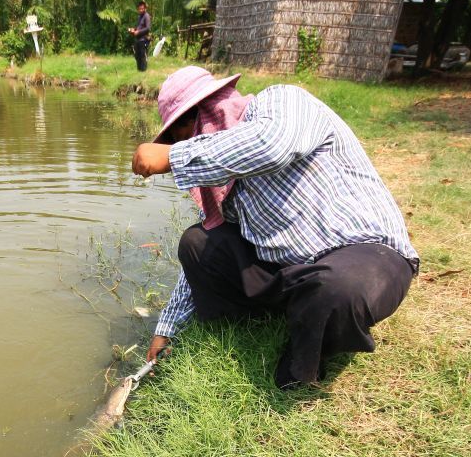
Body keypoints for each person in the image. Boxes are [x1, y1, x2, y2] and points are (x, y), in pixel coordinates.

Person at [131, 66, 419, 388]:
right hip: (291, 272)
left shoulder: (281, 102)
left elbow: (273, 147)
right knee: (198, 244)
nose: (186, 145)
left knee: (337, 290)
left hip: (364, 253)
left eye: (184, 135)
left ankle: (300, 369)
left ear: (204, 112)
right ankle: (256, 326)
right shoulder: (229, 184)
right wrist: (166, 328)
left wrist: (175, 156)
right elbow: (210, 248)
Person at [128, 1, 151, 72]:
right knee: (137, 56)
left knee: (142, 56)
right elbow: (139, 27)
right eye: (139, 9)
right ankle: (139, 71)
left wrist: (138, 32)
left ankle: (143, 71)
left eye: (142, 9)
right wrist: (133, 29)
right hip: (138, 39)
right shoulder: (139, 17)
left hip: (143, 39)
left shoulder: (146, 16)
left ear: (145, 9)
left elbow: (148, 28)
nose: (140, 10)